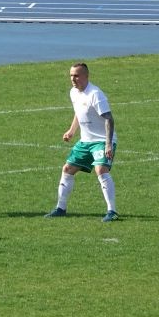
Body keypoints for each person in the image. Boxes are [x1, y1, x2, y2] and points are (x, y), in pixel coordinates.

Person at [45, 62, 118, 222]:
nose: (73, 78)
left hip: (101, 140)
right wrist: (71, 131)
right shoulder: (74, 93)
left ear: (86, 76)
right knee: (67, 169)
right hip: (85, 141)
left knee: (101, 170)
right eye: (71, 75)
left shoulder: (95, 94)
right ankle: (60, 209)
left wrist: (108, 144)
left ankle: (112, 211)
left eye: (76, 75)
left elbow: (109, 119)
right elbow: (79, 112)